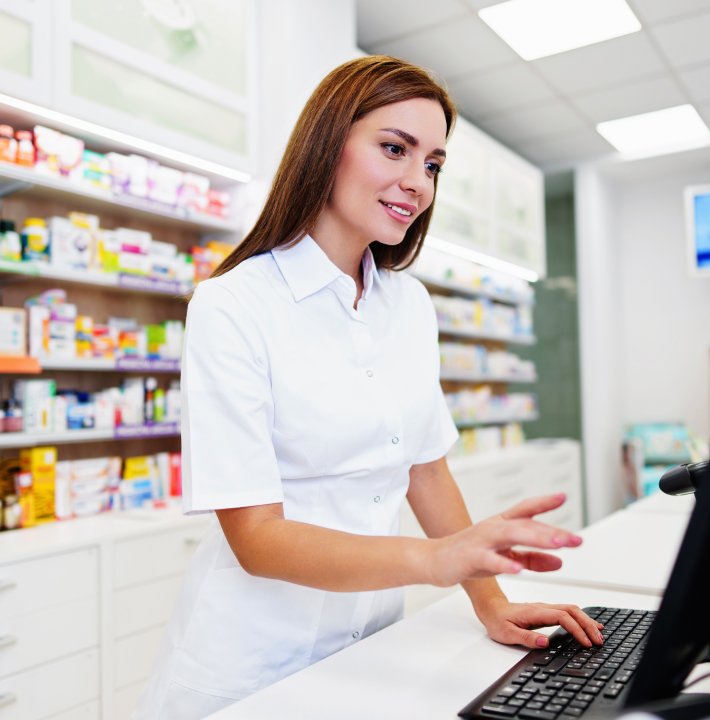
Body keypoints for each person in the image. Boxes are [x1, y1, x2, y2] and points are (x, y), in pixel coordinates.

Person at [132, 55, 603, 720]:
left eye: (433, 164)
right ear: (327, 146)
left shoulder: (408, 305)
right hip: (252, 668)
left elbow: (426, 471)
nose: (418, 183)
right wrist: (436, 560)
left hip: (372, 650)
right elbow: (257, 536)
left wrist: (489, 599)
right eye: (395, 149)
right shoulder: (233, 305)